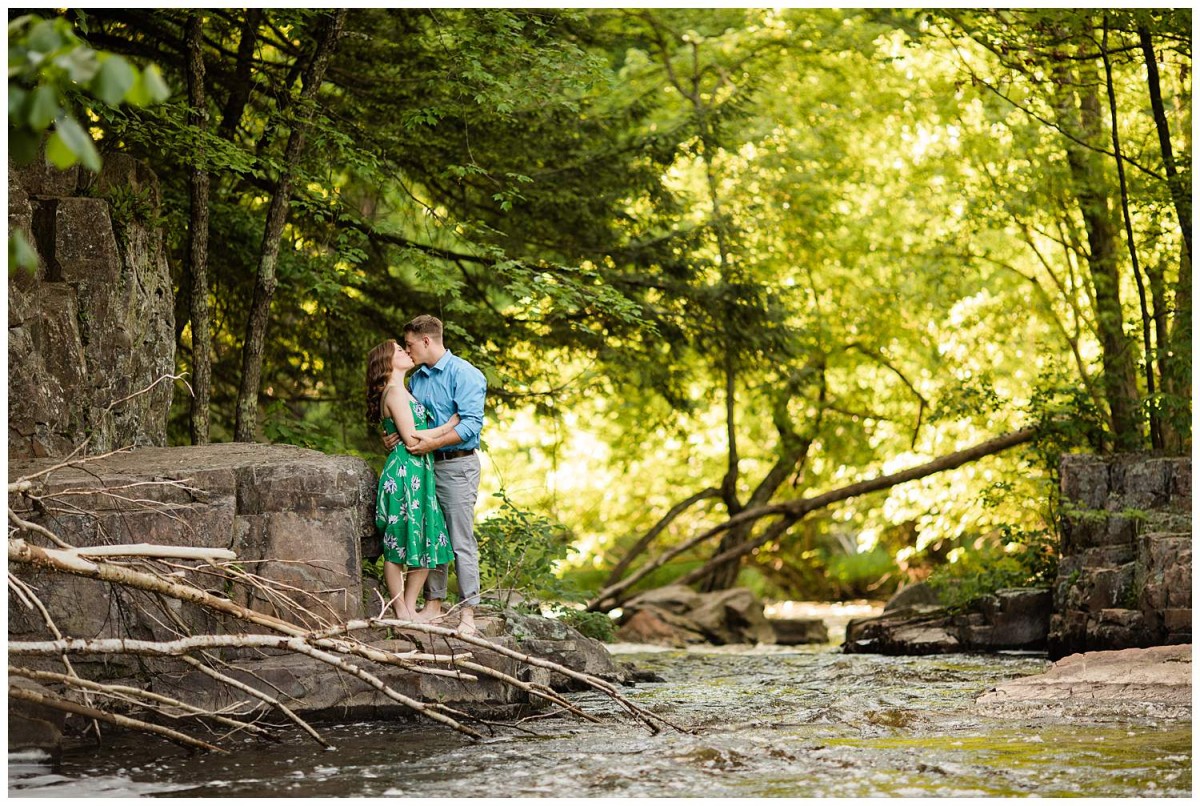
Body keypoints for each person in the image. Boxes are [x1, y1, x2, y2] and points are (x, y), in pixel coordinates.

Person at [383, 315, 486, 636]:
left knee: (459, 539)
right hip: (423, 467)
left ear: (426, 341)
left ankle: (468, 610)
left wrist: (431, 441)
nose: (408, 350)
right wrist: (395, 437)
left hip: (457, 465)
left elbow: (470, 425)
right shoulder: (417, 380)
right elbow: (409, 422)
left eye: (411, 344)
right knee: (433, 533)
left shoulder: (465, 374)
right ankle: (434, 604)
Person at [366, 339, 458, 620]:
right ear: (386, 362)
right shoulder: (393, 392)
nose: (405, 352)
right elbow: (410, 438)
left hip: (421, 473)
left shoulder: (405, 390)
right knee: (397, 544)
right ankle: (399, 608)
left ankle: (409, 606)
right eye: (398, 350)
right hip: (404, 474)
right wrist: (452, 424)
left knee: (428, 539)